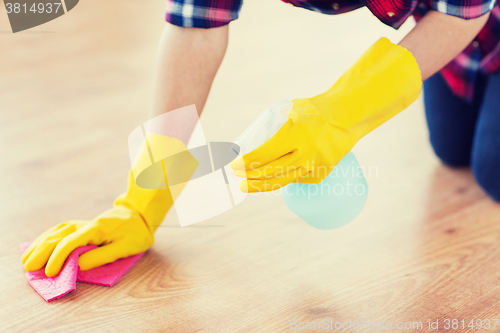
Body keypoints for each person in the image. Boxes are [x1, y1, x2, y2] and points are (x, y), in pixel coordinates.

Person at [22, 0, 499, 277]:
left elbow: (462, 11)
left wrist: (342, 113)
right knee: (451, 151)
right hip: (460, 43)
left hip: (472, 17)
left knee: (491, 169)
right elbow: (196, 28)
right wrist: (142, 199)